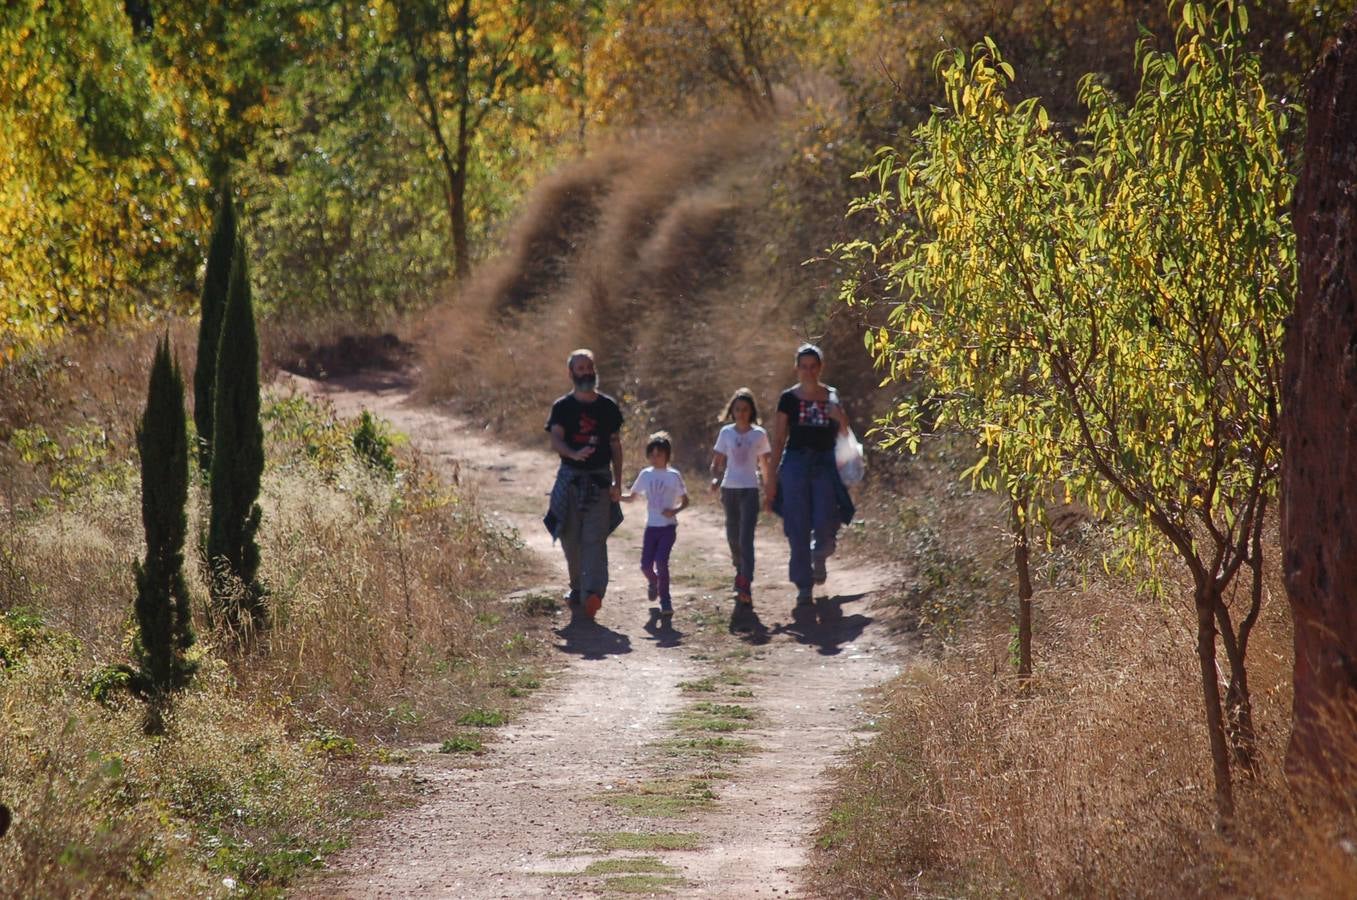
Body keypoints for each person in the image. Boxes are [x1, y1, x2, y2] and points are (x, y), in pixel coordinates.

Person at [765, 343, 855, 608]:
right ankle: (803, 586)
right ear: (796, 369)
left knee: (827, 519)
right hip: (795, 464)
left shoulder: (831, 396)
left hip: (826, 465)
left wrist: (840, 417)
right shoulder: (788, 399)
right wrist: (771, 480)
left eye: (813, 366)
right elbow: (779, 439)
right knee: (797, 526)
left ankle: (821, 555)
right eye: (803, 366)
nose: (808, 371)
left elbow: (845, 434)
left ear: (820, 367)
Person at [544, 349, 624, 620]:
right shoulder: (562, 407)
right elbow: (555, 439)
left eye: (589, 367)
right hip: (570, 480)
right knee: (570, 540)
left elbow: (615, 444)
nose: (586, 372)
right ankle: (578, 587)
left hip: (600, 481)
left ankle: (593, 594)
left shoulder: (608, 407)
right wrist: (572, 453)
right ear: (571, 373)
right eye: (580, 368)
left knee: (595, 539)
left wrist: (618, 481)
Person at [709, 388, 772, 606]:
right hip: (730, 489)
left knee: (746, 538)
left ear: (751, 411)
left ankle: (745, 582)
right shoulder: (726, 433)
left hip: (750, 490)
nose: (741, 413)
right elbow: (716, 462)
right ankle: (739, 568)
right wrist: (715, 479)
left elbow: (765, 464)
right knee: (732, 536)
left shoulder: (759, 434)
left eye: (745, 409)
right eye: (737, 409)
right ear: (732, 411)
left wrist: (768, 489)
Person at [623, 431, 689, 620]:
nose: (655, 457)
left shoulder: (673, 475)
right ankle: (654, 582)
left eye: (659, 454)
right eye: (652, 454)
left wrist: (674, 511)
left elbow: (686, 501)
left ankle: (665, 601)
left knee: (661, 562)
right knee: (645, 566)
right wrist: (615, 496)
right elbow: (632, 497)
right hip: (651, 528)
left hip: (668, 527)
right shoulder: (645, 474)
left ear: (667, 455)